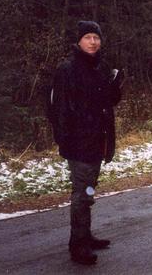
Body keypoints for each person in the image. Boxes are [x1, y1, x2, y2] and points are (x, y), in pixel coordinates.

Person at [49, 21, 122, 265]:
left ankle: (85, 236)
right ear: (79, 41)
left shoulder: (99, 67)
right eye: (88, 37)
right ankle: (78, 245)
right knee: (82, 194)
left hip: (96, 142)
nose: (93, 42)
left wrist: (116, 85)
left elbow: (107, 102)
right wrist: (65, 139)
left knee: (88, 191)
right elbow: (57, 108)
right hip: (79, 144)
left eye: (96, 37)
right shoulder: (67, 69)